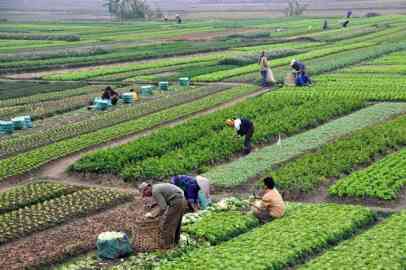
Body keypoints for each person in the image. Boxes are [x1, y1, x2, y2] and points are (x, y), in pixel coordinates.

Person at [139, 182, 186, 248]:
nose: (147, 196)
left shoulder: (155, 191)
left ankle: (168, 246)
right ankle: (176, 243)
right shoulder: (157, 187)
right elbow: (164, 200)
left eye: (145, 194)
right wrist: (153, 205)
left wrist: (153, 215)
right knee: (176, 223)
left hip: (176, 202)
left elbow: (163, 207)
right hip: (182, 200)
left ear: (147, 189)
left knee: (167, 224)